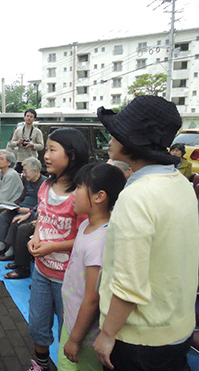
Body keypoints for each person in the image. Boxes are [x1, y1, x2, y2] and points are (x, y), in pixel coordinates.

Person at [93, 96, 199, 371]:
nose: (111, 136)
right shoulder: (181, 184)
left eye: (117, 131)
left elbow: (129, 284)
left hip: (139, 339)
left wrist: (106, 334)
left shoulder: (137, 196)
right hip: (177, 327)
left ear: (131, 141)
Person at [26, 128, 89, 371]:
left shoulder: (81, 195)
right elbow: (42, 216)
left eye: (53, 150)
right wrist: (36, 236)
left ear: (72, 156)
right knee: (37, 326)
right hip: (42, 272)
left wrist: (52, 246)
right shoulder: (45, 186)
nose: (46, 156)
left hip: (69, 279)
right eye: (47, 149)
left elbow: (87, 237)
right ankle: (40, 365)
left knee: (69, 329)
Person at [57, 163, 126, 371]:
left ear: (99, 197)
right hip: (72, 321)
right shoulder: (87, 225)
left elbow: (92, 297)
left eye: (79, 188)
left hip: (85, 335)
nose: (73, 194)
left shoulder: (100, 240)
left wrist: (75, 339)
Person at [0, 157, 46, 261]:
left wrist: (28, 210)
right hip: (21, 207)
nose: (24, 174)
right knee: (4, 215)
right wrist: (12, 205)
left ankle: (11, 249)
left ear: (35, 171)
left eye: (26, 171)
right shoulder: (27, 181)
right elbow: (21, 197)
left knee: (16, 220)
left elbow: (42, 204)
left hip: (31, 211)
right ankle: (1, 244)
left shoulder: (44, 183)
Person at [8, 109, 44, 173]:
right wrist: (18, 143)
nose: (29, 118)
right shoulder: (18, 130)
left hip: (32, 161)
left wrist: (32, 145)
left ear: (34, 119)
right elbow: (11, 144)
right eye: (27, 116)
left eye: (31, 116)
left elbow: (41, 146)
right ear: (24, 117)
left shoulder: (37, 131)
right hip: (20, 160)